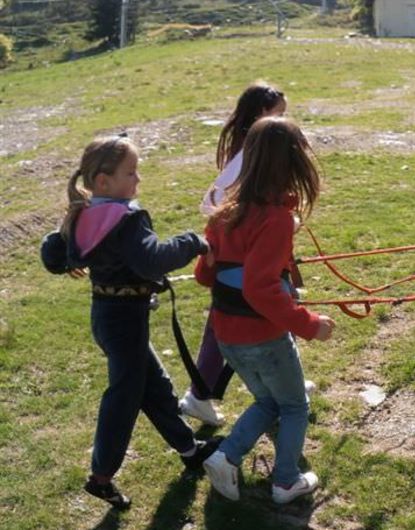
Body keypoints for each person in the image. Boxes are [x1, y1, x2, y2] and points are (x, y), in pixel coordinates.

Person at [40, 136, 220, 509]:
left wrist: (65, 248)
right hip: (123, 323)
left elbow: (54, 256)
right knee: (124, 398)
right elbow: (152, 260)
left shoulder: (87, 213)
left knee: (154, 386)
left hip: (109, 318)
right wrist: (194, 242)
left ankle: (189, 449)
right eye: (130, 173)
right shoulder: (125, 219)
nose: (138, 180)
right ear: (103, 181)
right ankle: (101, 477)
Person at [195, 117, 335, 504]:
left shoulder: (225, 212)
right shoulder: (274, 221)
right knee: (293, 405)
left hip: (227, 336)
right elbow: (260, 289)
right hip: (263, 338)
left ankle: (226, 456)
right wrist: (309, 324)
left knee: (269, 401)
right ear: (291, 166)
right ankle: (286, 480)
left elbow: (204, 277)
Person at [179, 83, 316, 426]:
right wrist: (260, 227)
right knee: (238, 322)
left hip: (241, 257)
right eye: (279, 115)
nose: (284, 121)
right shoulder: (253, 156)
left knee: (239, 322)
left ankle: (286, 382)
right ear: (260, 117)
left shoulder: (254, 151)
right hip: (239, 261)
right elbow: (214, 203)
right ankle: (199, 395)